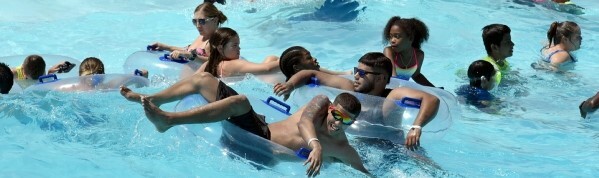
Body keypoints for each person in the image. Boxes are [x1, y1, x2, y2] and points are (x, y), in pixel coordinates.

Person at [119, 73, 372, 177]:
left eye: (347, 121)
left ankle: (168, 121)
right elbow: (305, 121)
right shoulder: (319, 104)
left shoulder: (343, 149)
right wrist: (315, 145)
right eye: (337, 115)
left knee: (239, 101)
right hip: (260, 130)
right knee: (204, 78)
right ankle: (151, 99)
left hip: (262, 154)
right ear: (330, 108)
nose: (339, 124)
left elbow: (365, 174)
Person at [273, 52, 440, 150]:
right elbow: (311, 74)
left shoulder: (392, 96)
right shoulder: (349, 87)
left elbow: (432, 99)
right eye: (356, 70)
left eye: (362, 73)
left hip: (392, 148)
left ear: (381, 78)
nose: (356, 76)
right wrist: (290, 85)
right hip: (358, 145)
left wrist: (416, 127)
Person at [149, 1, 227, 63]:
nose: (198, 25)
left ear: (215, 20)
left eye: (202, 21)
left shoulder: (215, 40)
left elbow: (215, 63)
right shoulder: (202, 37)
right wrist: (166, 47)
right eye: (194, 21)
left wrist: (191, 56)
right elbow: (187, 51)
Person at [197, 27, 279, 77]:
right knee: (273, 58)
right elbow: (268, 69)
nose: (239, 48)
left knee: (270, 58)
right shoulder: (233, 64)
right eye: (235, 45)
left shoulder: (208, 64)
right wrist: (288, 58)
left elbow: (193, 78)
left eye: (238, 45)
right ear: (220, 48)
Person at [382, 16, 436, 87]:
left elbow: (416, 75)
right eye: (391, 36)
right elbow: (393, 77)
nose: (392, 40)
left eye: (397, 36)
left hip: (399, 90)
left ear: (410, 38)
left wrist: (435, 89)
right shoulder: (389, 52)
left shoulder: (419, 55)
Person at [279, 46, 350, 82]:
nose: (314, 58)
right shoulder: (306, 90)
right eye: (309, 58)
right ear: (297, 67)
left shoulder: (313, 72)